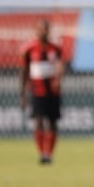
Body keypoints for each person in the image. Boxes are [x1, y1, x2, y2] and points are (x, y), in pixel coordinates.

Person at [20, 19, 65, 165]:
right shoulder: (29, 49)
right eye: (40, 29)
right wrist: (22, 94)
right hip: (37, 91)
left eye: (45, 29)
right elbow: (24, 72)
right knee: (38, 121)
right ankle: (42, 153)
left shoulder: (56, 49)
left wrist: (59, 77)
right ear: (35, 30)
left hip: (53, 92)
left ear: (49, 30)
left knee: (52, 122)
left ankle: (49, 154)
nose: (42, 32)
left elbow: (60, 67)